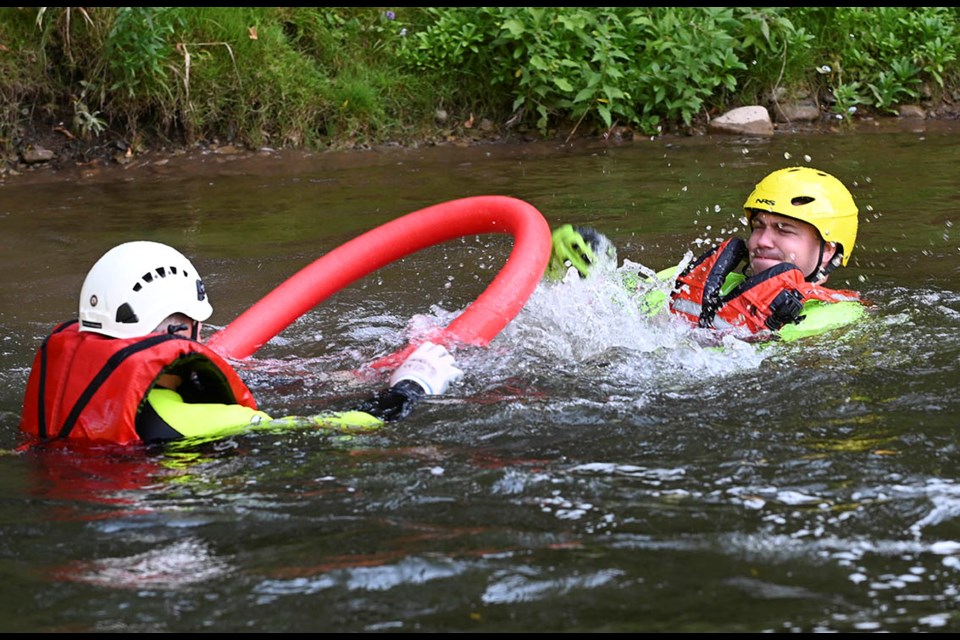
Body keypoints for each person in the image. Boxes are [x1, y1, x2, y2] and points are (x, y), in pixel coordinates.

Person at [19, 240, 463, 446]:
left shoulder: (65, 388)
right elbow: (340, 427)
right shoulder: (200, 421)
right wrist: (411, 387)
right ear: (178, 332)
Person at [546, 166, 865, 340]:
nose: (762, 240)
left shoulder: (839, 316)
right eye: (759, 226)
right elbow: (605, 309)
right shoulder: (686, 278)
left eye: (784, 230)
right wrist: (570, 273)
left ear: (828, 251)